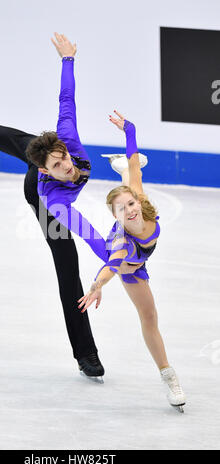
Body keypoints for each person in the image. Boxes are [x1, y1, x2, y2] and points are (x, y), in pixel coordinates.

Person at [0, 33, 140, 380]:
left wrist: (68, 59)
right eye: (56, 165)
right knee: (68, 264)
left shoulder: (65, 142)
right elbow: (90, 234)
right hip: (39, 199)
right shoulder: (55, 200)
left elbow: (67, 98)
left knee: (29, 142)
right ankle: (86, 354)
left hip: (40, 154)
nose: (66, 166)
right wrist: (114, 260)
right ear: (45, 171)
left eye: (63, 159)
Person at [78, 111, 187, 411]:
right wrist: (97, 284)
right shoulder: (121, 243)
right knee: (149, 317)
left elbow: (136, 160)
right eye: (121, 210)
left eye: (130, 204)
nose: (129, 210)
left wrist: (128, 130)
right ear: (114, 217)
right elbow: (112, 265)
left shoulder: (141, 203)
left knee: (131, 175)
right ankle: (169, 375)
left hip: (138, 245)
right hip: (132, 268)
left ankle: (119, 167)